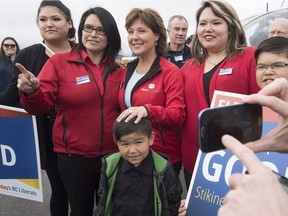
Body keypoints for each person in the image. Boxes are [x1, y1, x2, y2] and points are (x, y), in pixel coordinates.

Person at [17, 6, 123, 216]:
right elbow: (40, 105)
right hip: (74, 158)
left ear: (110, 34)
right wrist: (31, 92)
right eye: (88, 28)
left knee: (109, 209)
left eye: (101, 30)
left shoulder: (120, 70)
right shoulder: (59, 63)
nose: (93, 34)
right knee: (80, 210)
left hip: (113, 156)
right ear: (80, 30)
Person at [0, 1, 75, 215]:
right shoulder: (28, 56)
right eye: (43, 20)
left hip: (83, 134)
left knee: (88, 191)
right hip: (49, 135)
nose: (49, 24)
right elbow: (11, 94)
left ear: (69, 23)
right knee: (60, 191)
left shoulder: (84, 53)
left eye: (56, 19)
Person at [181, 0, 260, 189]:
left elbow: (263, 107)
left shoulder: (250, 57)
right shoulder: (187, 68)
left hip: (238, 161)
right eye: (202, 24)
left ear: (231, 27)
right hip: (195, 161)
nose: (208, 29)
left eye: (216, 23)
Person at [117, 8, 186, 176]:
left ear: (156, 35)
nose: (134, 37)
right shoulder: (127, 70)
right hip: (133, 156)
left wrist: (148, 110)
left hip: (162, 157)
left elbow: (178, 115)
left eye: (141, 30)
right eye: (131, 31)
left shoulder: (170, 72)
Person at [96, 117, 183, 216]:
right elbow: (103, 202)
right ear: (116, 142)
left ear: (151, 138)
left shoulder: (163, 167)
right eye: (125, 144)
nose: (132, 150)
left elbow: (173, 202)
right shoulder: (110, 166)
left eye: (138, 142)